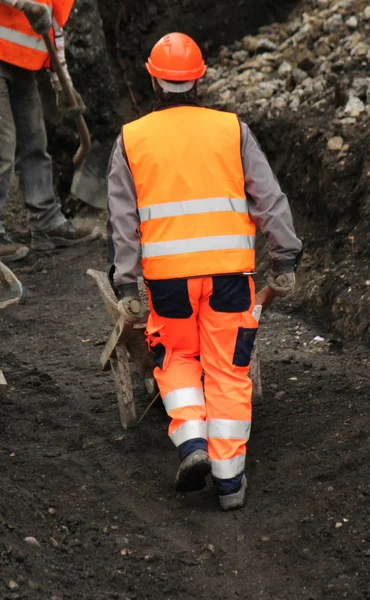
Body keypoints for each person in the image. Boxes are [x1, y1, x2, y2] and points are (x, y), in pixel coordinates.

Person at [107, 33, 303, 511]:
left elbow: (123, 221)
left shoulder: (132, 138)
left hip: (168, 281)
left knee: (174, 359)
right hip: (229, 280)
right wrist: (284, 257)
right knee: (229, 370)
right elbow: (269, 199)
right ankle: (230, 482)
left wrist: (127, 283)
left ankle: (192, 444)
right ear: (200, 78)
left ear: (153, 78)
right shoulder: (231, 130)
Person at [0, 0, 95, 262]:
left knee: (34, 142)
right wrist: (22, 4)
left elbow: (54, 32)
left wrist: (62, 85)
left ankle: (46, 223)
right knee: (2, 146)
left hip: (22, 67)